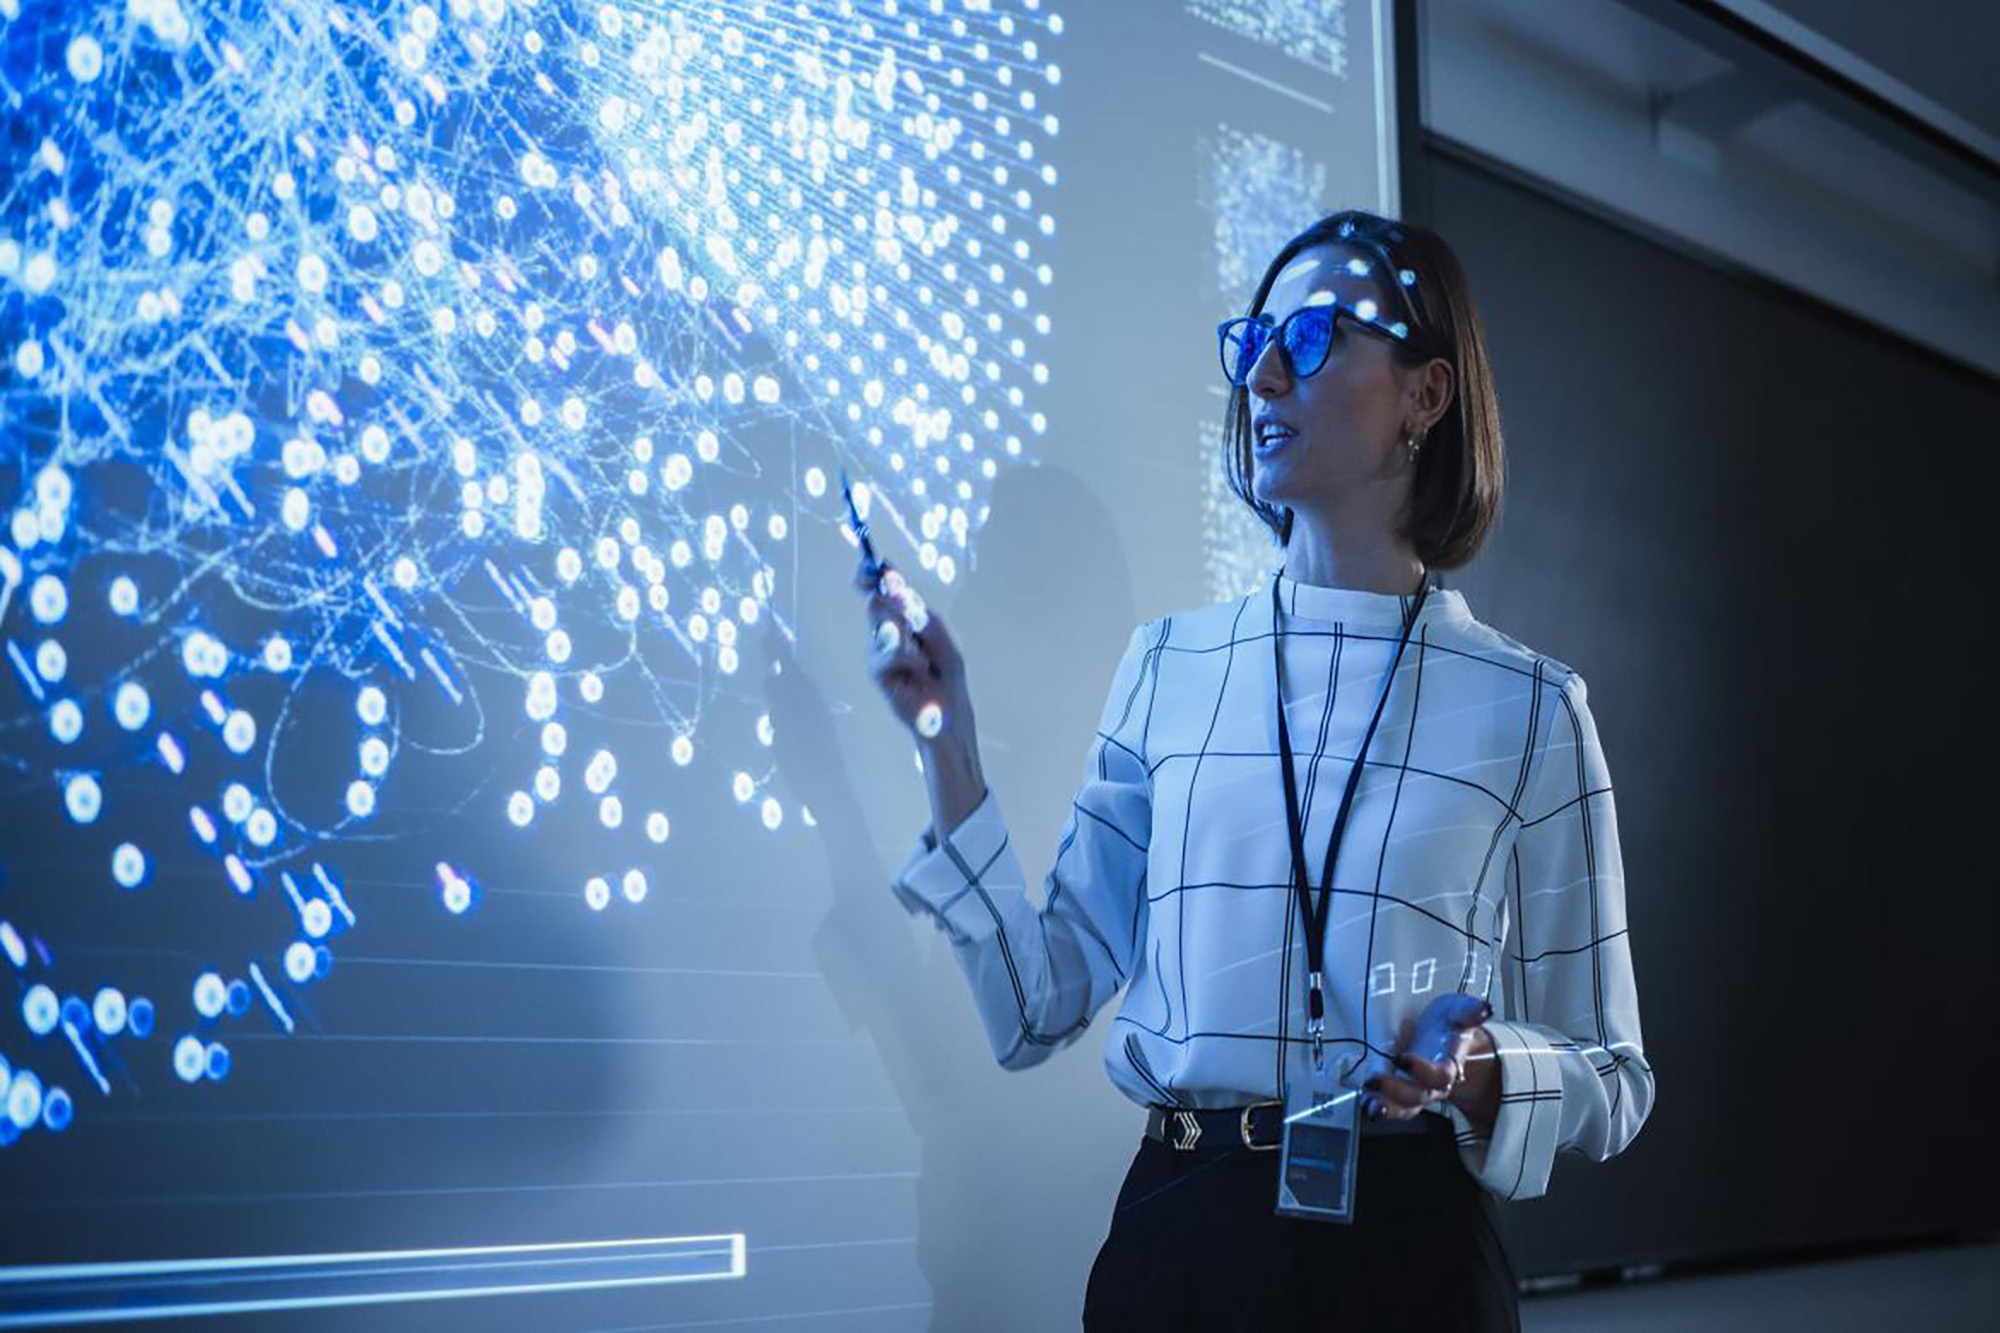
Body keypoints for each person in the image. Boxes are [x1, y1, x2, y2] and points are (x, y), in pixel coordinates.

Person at [856, 208, 1654, 1330]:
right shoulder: (1168, 666)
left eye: (1316, 336)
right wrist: (950, 749)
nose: (1265, 375)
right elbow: (1034, 1008)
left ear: (1427, 395)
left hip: (1410, 1249)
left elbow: (1611, 1076)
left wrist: (1476, 1067)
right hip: (1181, 1237)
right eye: (1251, 343)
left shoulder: (1527, 706)